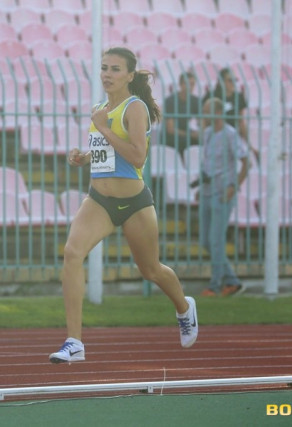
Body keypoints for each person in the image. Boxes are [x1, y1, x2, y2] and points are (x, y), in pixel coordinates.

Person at [49, 47, 198, 364]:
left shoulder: (135, 108)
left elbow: (137, 157)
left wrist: (103, 127)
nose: (107, 74)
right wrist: (83, 158)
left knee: (150, 269)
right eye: (104, 68)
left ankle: (184, 307)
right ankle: (74, 342)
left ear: (130, 75)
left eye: (115, 69)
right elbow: (105, 153)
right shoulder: (99, 109)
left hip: (134, 203)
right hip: (99, 200)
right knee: (72, 253)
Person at [198, 97, 250, 297]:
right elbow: (207, 163)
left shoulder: (230, 134)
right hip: (207, 190)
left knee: (216, 240)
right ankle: (233, 281)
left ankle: (215, 285)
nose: (203, 115)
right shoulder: (208, 133)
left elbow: (246, 162)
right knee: (206, 241)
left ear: (218, 113)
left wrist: (234, 187)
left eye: (207, 111)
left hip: (222, 193)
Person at [202, 67, 257, 159]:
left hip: (231, 136)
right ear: (221, 81)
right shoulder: (211, 95)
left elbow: (241, 121)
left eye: (235, 80)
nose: (233, 83)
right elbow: (204, 118)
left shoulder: (238, 97)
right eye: (230, 80)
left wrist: (249, 144)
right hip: (215, 135)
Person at [162, 71, 200, 156]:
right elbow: (170, 129)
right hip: (171, 137)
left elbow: (201, 121)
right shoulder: (170, 101)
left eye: (192, 84)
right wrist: (191, 134)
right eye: (187, 84)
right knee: (184, 141)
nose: (190, 87)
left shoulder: (195, 101)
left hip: (186, 133)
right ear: (180, 84)